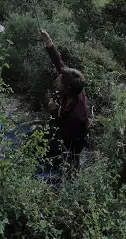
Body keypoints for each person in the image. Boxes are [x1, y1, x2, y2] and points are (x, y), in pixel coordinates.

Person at [39, 30, 90, 169]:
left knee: (39, 152)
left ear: (67, 87)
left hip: (70, 145)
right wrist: (48, 42)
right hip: (66, 131)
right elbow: (60, 65)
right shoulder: (75, 87)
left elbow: (62, 133)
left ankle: (72, 164)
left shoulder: (77, 115)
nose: (57, 79)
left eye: (60, 80)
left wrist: (54, 113)